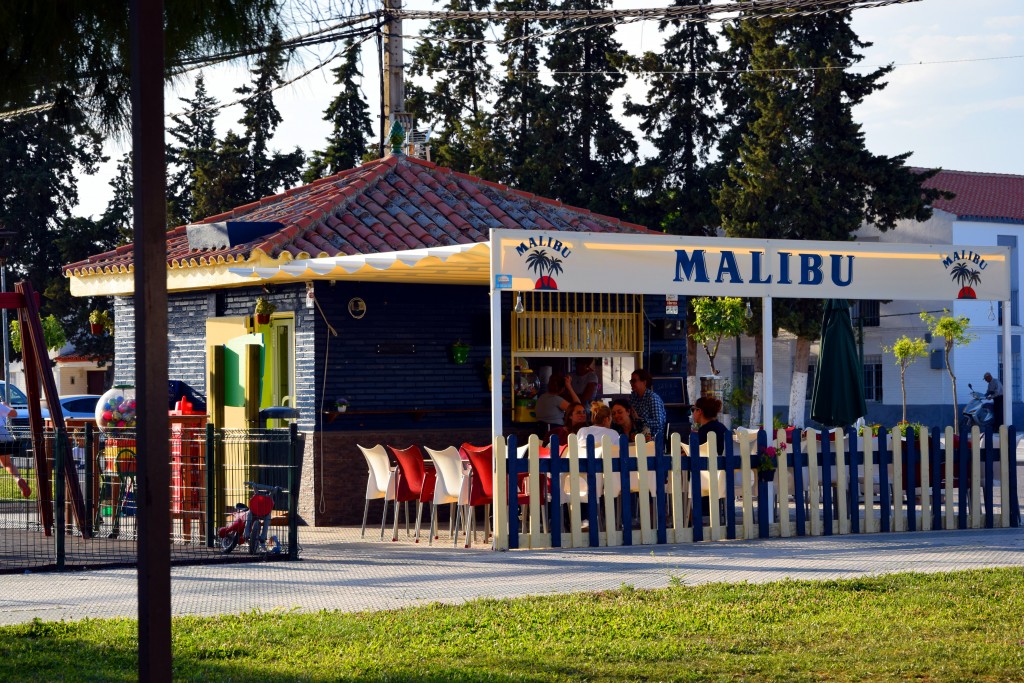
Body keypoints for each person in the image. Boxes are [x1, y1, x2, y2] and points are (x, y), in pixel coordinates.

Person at [0, 401, 31, 498]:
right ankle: (18, 479)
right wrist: (6, 405)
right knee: (7, 463)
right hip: (2, 433)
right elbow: (14, 414)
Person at [628, 368, 666, 442]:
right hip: (637, 438)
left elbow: (659, 423)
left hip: (653, 440)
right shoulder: (633, 397)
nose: (631, 383)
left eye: (634, 381)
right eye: (631, 381)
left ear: (644, 382)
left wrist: (640, 420)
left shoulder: (652, 398)